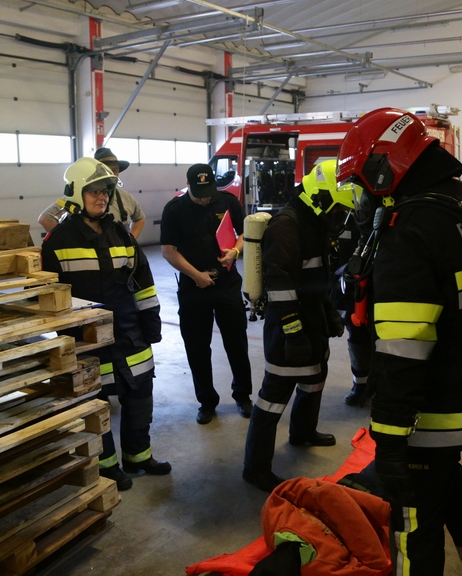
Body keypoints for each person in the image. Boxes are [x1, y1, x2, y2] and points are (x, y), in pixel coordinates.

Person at [337, 108, 462, 575]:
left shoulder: (408, 228)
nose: (363, 193)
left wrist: (390, 440)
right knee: (450, 492)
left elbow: (403, 347)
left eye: (362, 179)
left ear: (383, 166)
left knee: (413, 528)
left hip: (437, 412)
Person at [41, 157, 170, 492]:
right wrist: (69, 341)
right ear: (76, 193)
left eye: (105, 191)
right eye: (94, 191)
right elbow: (53, 300)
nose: (101, 197)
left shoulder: (121, 235)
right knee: (96, 404)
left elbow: (144, 283)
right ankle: (107, 465)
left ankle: (139, 457)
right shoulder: (57, 241)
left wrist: (151, 326)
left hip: (130, 333)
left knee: (140, 395)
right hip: (88, 341)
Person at [242, 160, 353, 493]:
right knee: (273, 397)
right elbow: (279, 285)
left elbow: (316, 277)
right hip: (288, 325)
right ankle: (255, 468)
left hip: (312, 316)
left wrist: (329, 310)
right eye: (337, 208)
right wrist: (293, 333)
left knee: (315, 378)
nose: (339, 215)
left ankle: (303, 432)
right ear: (320, 198)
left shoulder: (314, 222)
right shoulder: (287, 226)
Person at [160, 164, 253, 425]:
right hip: (193, 289)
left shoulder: (228, 202)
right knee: (197, 347)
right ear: (188, 185)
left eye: (208, 193)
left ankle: (243, 395)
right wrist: (195, 275)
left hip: (227, 285)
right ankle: (207, 401)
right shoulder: (174, 209)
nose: (205, 199)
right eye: (200, 194)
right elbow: (168, 250)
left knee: (237, 342)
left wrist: (236, 251)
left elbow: (244, 233)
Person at [38, 147, 146, 237]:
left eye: (114, 170)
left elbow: (140, 218)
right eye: (106, 170)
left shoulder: (126, 197)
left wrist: (130, 241)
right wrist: (68, 241)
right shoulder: (76, 199)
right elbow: (45, 218)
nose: (111, 175)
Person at [331, 216, 374, 406]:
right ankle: (361, 384)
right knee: (357, 335)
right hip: (348, 285)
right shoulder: (341, 217)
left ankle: (382, 384)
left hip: (380, 280)